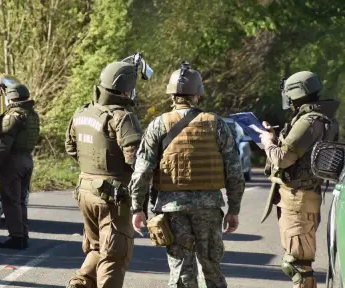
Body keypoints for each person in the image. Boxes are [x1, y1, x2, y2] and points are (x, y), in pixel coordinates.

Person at [128, 61, 245, 288]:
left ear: (171, 95)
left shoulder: (157, 125)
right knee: (211, 269)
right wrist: (234, 210)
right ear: (198, 95)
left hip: (171, 209)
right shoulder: (216, 124)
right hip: (208, 209)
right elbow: (234, 172)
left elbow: (142, 171)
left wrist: (137, 208)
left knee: (181, 271)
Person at [257, 71, 340, 288]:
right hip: (301, 198)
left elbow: (283, 159)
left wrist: (267, 142)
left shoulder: (309, 121)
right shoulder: (321, 118)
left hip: (298, 200)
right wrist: (274, 139)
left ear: (295, 93)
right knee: (298, 263)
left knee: (298, 265)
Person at [64, 61, 143, 288]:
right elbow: (135, 160)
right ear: (125, 90)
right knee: (115, 253)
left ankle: (80, 283)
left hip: (85, 190)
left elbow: (71, 148)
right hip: (112, 196)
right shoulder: (122, 117)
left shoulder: (81, 112)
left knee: (98, 246)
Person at [0, 82, 40, 249]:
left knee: (11, 200)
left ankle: (16, 237)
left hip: (13, 162)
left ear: (11, 98)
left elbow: (5, 143)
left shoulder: (12, 116)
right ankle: (23, 235)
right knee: (21, 200)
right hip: (27, 160)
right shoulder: (32, 115)